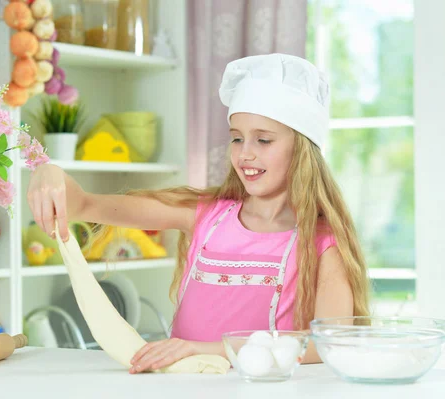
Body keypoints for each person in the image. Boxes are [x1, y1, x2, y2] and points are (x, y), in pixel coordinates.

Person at [26, 53, 371, 374]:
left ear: (302, 149)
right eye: (237, 139)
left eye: (263, 140)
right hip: (179, 387)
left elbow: (330, 343)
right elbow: (85, 204)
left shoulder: (323, 243)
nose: (245, 154)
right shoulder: (206, 216)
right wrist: (48, 170)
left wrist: (208, 349)